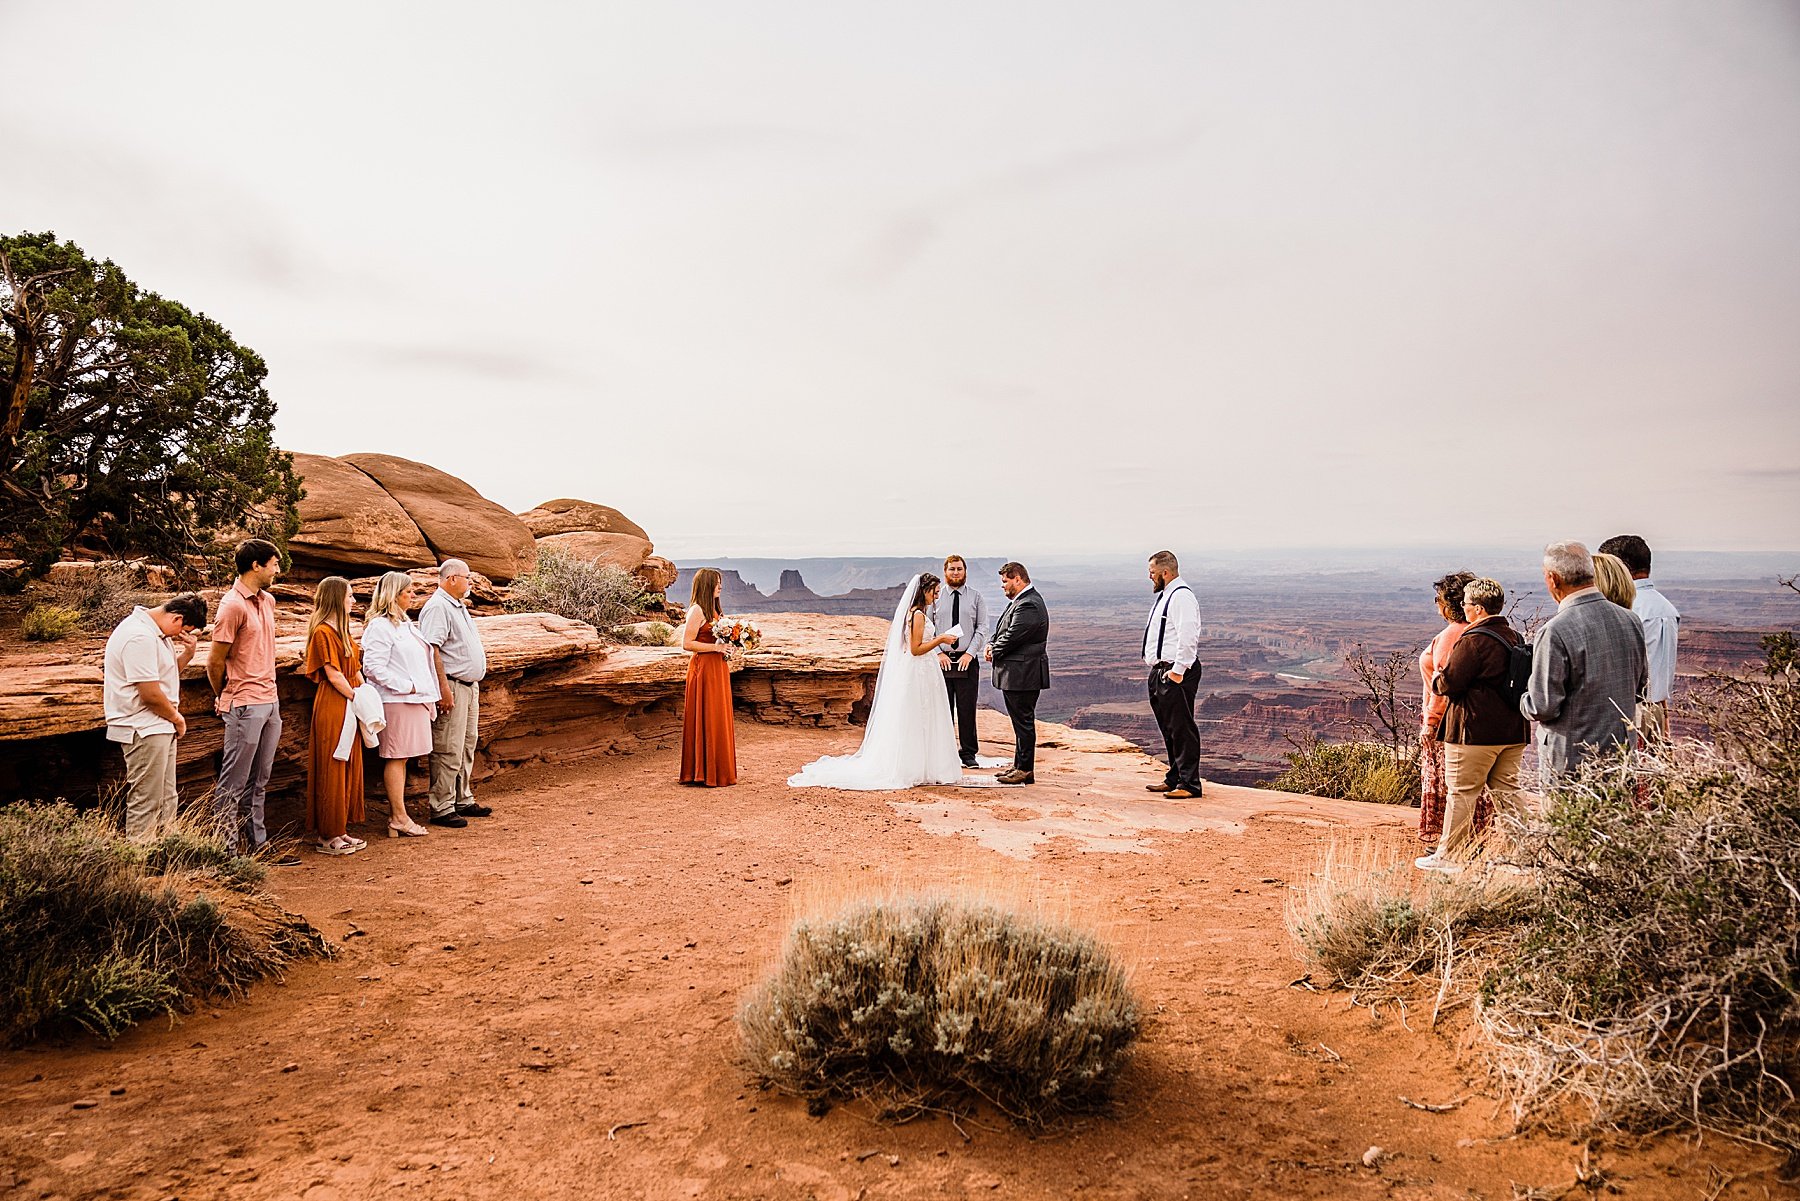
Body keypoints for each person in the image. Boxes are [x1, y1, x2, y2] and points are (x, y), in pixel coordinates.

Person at [789, 573, 962, 790]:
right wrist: (941, 639)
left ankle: (923, 765)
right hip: (920, 669)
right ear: (924, 590)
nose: (936, 597)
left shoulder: (915, 613)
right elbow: (915, 649)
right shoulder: (917, 615)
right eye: (934, 592)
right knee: (919, 715)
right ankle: (916, 766)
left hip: (923, 671)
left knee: (922, 716)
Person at [1416, 578, 1528, 873]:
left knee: (1462, 792)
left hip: (1474, 732)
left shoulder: (1474, 639)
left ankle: (1449, 856)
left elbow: (1449, 683)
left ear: (1478, 608)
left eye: (1465, 603)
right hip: (1513, 730)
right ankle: (1525, 854)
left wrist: (1439, 678)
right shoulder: (1513, 636)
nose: (1462, 608)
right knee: (1508, 792)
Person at [1521, 541, 1648, 782]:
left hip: (1571, 764)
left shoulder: (1555, 631)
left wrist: (1521, 698)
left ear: (1553, 579)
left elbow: (1543, 706)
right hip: (1619, 758)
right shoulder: (1631, 621)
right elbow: (1640, 690)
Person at [207, 538, 299, 863]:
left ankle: (258, 846)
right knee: (233, 782)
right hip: (243, 704)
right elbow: (214, 661)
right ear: (256, 565)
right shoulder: (232, 605)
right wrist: (224, 696)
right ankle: (226, 853)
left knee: (260, 779)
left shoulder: (268, 601)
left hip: (270, 701)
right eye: (274, 563)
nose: (278, 569)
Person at [104, 593, 207, 842]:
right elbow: (149, 693)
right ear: (177, 618)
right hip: (143, 726)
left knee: (166, 796)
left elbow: (162, 676)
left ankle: (166, 854)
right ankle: (140, 862)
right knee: (147, 799)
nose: (179, 636)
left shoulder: (156, 634)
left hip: (157, 725)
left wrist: (187, 655)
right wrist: (177, 718)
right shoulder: (139, 636)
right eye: (184, 629)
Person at [360, 571, 440, 836]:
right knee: (396, 757)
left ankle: (399, 815)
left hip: (413, 700)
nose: (413, 596)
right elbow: (372, 667)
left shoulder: (404, 623)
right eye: (408, 592)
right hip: (398, 700)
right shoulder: (380, 626)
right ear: (394, 595)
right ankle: (398, 817)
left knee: (403, 758)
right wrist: (408, 685)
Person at [419, 558, 491, 827]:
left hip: (469, 687)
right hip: (452, 686)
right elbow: (432, 650)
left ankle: (462, 799)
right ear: (451, 579)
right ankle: (441, 806)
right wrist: (442, 689)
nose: (470, 582)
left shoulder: (457, 606)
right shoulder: (438, 607)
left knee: (466, 744)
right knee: (448, 746)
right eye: (467, 577)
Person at [301, 577, 367, 856]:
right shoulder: (323, 633)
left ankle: (340, 829)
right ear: (336, 598)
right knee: (333, 762)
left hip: (350, 701)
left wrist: (365, 696)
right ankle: (327, 835)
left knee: (349, 762)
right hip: (334, 703)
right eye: (349, 596)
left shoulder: (343, 632)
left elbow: (354, 670)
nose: (353, 600)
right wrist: (355, 697)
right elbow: (333, 673)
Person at [1417, 571, 1480, 849]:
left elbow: (1443, 685)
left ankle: (1445, 841)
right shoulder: (1481, 629)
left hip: (1445, 723)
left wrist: (1430, 723)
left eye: (1438, 599)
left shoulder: (1451, 635)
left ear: (1448, 603)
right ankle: (1476, 837)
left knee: (1445, 781)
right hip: (1474, 721)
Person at [1597, 534, 1680, 743]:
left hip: (1631, 711)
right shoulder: (1666, 607)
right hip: (1657, 709)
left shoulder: (1628, 609)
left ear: (1619, 568)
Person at [1142, 551, 1204, 799]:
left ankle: (1190, 784)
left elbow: (1188, 636)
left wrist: (1178, 671)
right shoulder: (1166, 596)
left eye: (1152, 572)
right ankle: (1175, 777)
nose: (1149, 576)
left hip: (1176, 672)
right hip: (1161, 671)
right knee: (1168, 727)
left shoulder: (1182, 597)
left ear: (1165, 573)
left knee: (1182, 727)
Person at [985, 562, 1049, 785]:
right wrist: (992, 643)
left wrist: (994, 650)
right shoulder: (1020, 601)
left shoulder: (1029, 604)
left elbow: (1014, 635)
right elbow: (1002, 630)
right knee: (1020, 721)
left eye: (1005, 582)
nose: (1003, 587)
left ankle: (1025, 770)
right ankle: (1019, 766)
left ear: (1018, 579)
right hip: (1019, 673)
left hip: (1024, 673)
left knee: (1023, 722)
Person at [928, 555, 988, 768]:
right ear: (945, 571)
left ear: (965, 571)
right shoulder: (935, 598)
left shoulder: (976, 597)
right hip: (940, 661)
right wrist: (938, 653)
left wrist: (969, 653)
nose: (956, 573)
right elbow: (927, 629)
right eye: (952, 569)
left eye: (959, 569)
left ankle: (968, 753)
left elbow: (982, 628)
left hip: (967, 660)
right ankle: (941, 753)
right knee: (942, 709)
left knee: (967, 709)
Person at [680, 568, 739, 787]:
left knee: (718, 716)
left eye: (720, 582)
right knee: (708, 715)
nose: (720, 586)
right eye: (716, 583)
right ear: (706, 585)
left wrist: (727, 648)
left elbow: (717, 643)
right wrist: (716, 648)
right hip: (703, 669)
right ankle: (702, 772)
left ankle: (718, 770)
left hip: (718, 668)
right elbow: (687, 644)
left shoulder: (714, 610)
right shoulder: (697, 610)